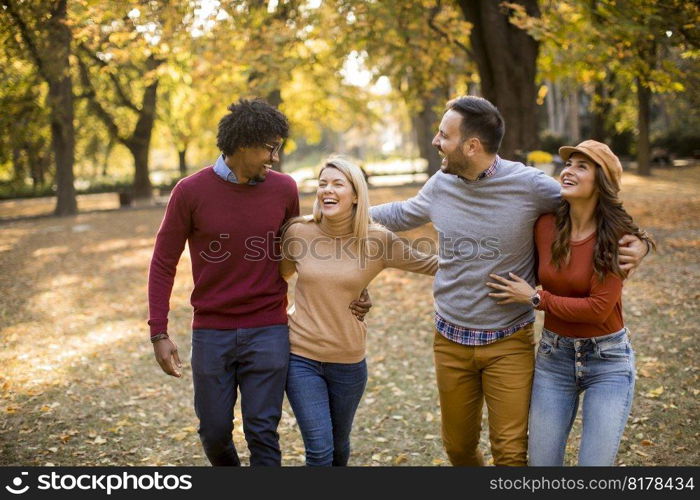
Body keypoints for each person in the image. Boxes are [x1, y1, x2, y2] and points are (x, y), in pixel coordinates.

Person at [369, 96, 649, 466]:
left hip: (509, 340)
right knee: (458, 449)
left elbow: (598, 202)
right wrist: (341, 213)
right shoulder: (441, 184)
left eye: (443, 135)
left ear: (471, 146)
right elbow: (402, 213)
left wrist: (640, 243)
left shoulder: (530, 186)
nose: (436, 141)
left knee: (511, 453)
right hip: (450, 338)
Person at [147, 99, 369, 466]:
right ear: (243, 144)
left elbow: (306, 249)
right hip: (211, 331)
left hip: (268, 328)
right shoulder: (189, 191)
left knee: (262, 431)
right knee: (214, 432)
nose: (274, 157)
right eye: (270, 147)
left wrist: (357, 285)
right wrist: (159, 331)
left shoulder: (283, 189)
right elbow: (163, 262)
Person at [486, 140, 654, 465]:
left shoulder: (616, 236)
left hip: (607, 360)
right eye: (568, 164)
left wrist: (536, 298)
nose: (568, 171)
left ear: (601, 181)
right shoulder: (546, 226)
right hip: (555, 358)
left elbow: (597, 309)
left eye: (581, 166)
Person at [279, 156, 438, 466]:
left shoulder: (377, 240)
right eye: (322, 184)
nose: (328, 190)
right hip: (301, 357)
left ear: (355, 195)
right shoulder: (298, 233)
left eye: (338, 184)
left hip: (348, 362)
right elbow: (279, 278)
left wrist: (492, 263)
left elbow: (432, 265)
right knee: (320, 450)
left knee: (339, 448)